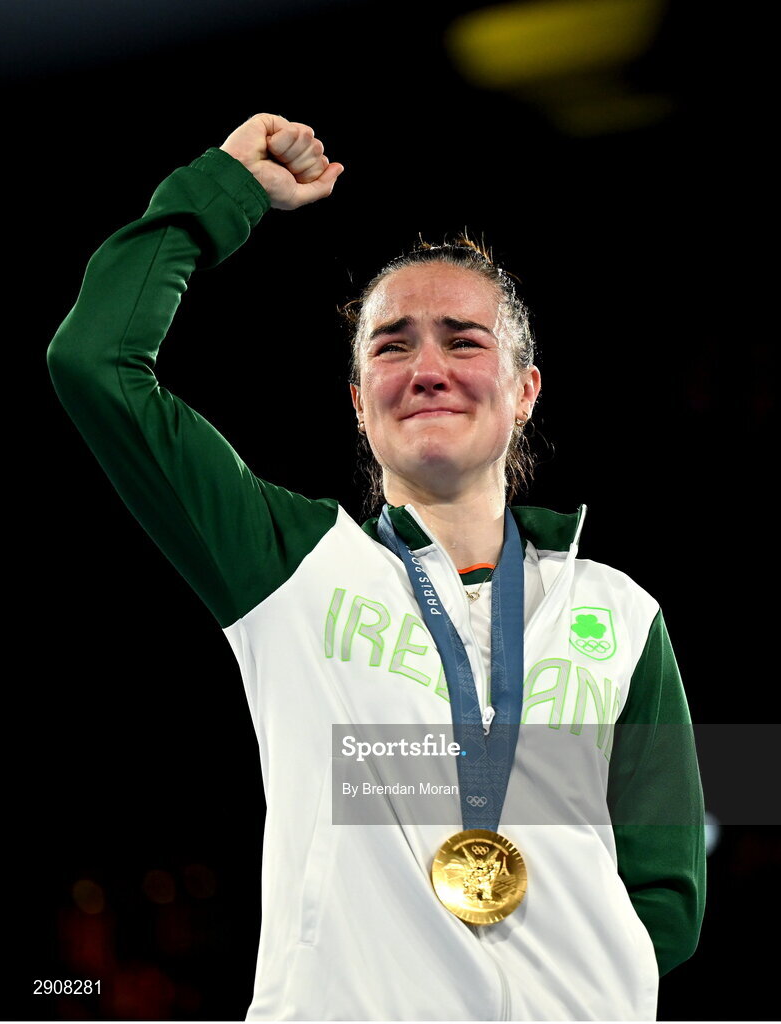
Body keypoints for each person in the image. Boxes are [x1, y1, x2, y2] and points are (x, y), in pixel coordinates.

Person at [47, 112, 706, 1021]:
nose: (427, 367)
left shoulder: (622, 615)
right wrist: (222, 192)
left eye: (464, 340)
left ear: (524, 392)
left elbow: (665, 897)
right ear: (360, 404)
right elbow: (96, 362)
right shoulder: (292, 565)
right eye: (392, 346)